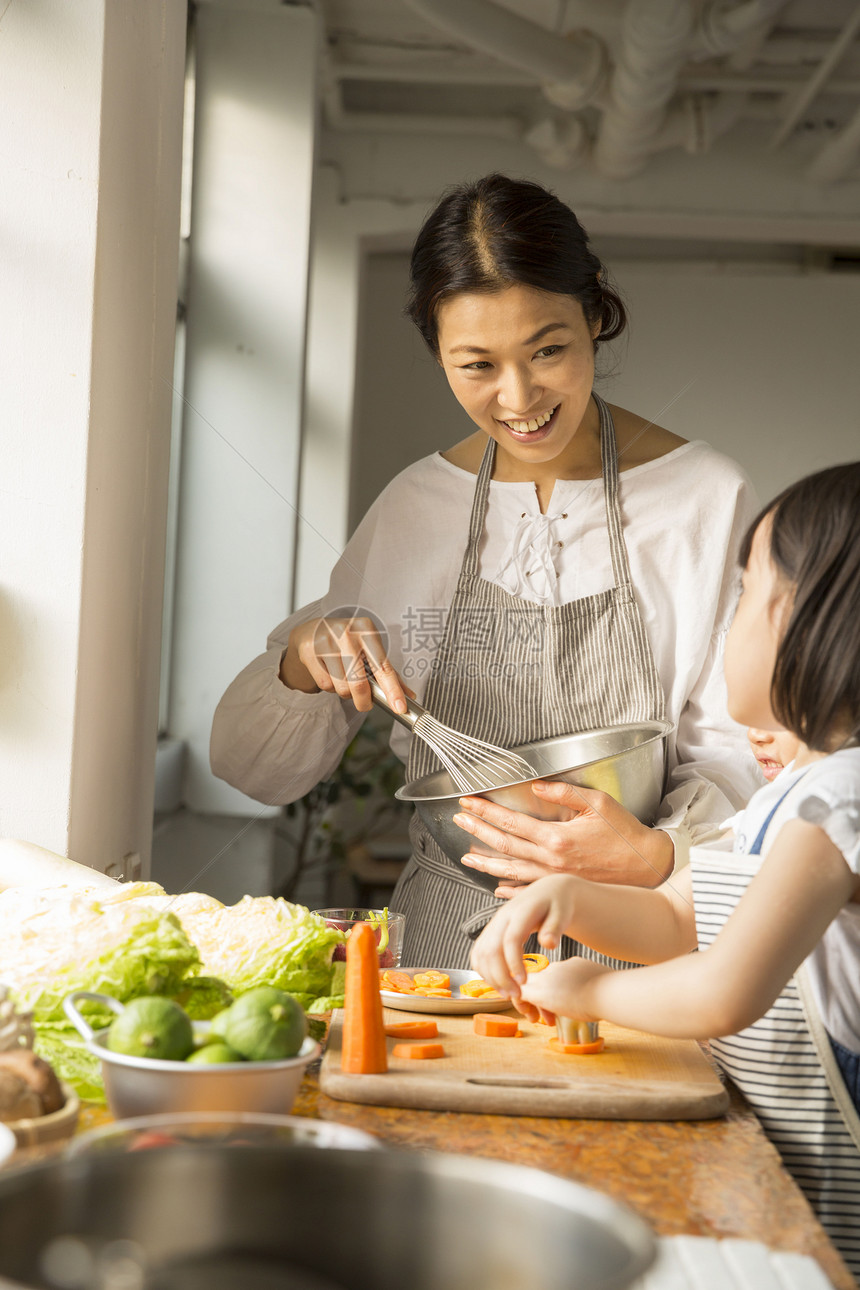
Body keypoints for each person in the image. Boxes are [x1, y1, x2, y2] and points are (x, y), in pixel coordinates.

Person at [210, 172, 761, 967]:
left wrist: (655, 855)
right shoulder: (416, 507)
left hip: (644, 945)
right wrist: (304, 660)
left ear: (596, 315)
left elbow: (749, 756)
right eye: (477, 365)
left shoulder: (705, 497)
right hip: (448, 951)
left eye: (548, 350)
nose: (519, 397)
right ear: (437, 351)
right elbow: (253, 770)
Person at [471, 463, 860, 1277]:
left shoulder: (841, 802)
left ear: (804, 621)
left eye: (747, 593)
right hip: (779, 1150)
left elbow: (723, 989)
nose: (732, 624)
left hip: (838, 1175)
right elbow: (683, 918)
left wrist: (591, 991)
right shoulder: (793, 793)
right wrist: (569, 899)